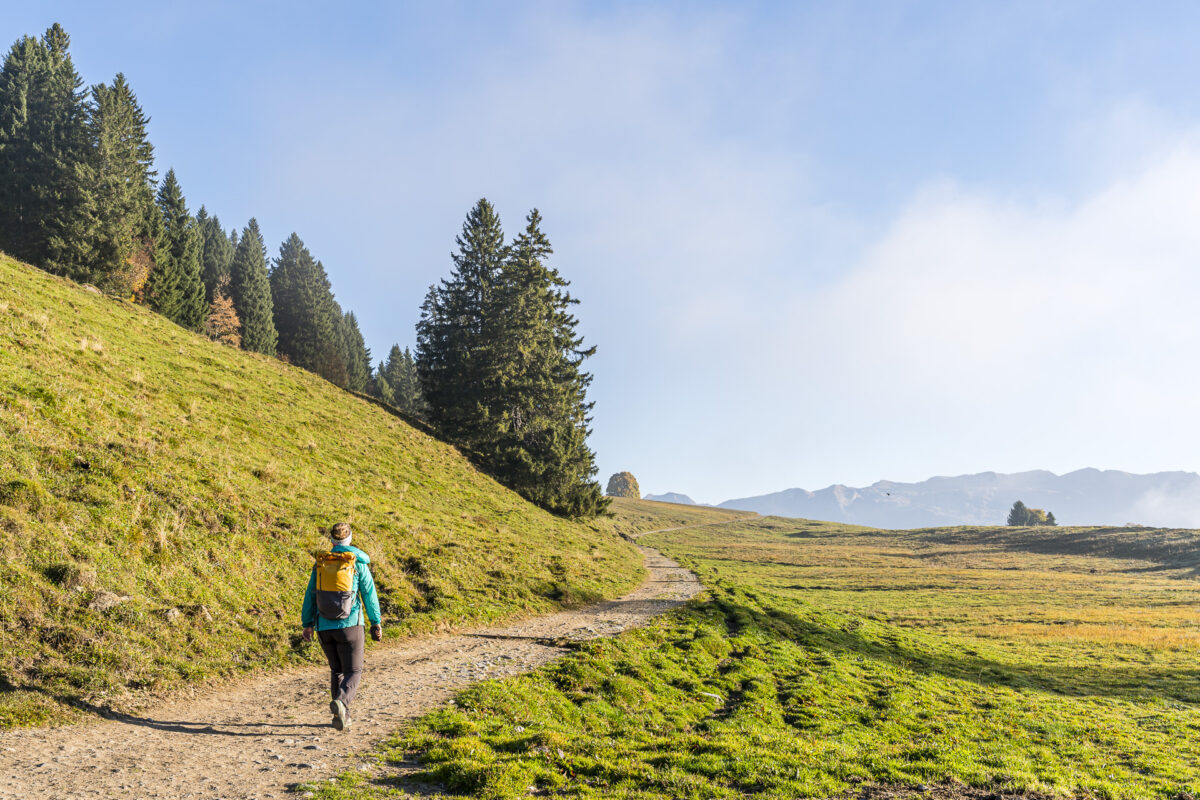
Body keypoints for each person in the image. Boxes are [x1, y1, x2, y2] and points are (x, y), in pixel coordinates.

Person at [301, 522, 383, 731]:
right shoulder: (357, 563)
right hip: (351, 625)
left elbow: (311, 594)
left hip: (324, 627)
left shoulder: (321, 564)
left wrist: (307, 624)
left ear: (332, 541)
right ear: (350, 539)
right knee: (353, 670)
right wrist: (376, 622)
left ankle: (341, 717)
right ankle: (342, 703)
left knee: (336, 670)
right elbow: (369, 594)